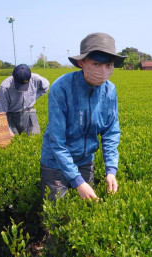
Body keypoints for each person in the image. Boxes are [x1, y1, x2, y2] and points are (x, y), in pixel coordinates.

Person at [40, 32, 126, 201]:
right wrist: (78, 181)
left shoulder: (110, 91)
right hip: (56, 164)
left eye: (108, 65)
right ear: (81, 63)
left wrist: (111, 170)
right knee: (57, 215)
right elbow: (57, 141)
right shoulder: (62, 88)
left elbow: (110, 132)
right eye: (96, 64)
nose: (103, 71)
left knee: (85, 212)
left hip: (85, 161)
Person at [0, 64, 50, 136]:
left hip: (30, 114)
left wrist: (34, 96)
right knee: (11, 140)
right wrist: (7, 130)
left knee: (34, 138)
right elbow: (1, 111)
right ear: (13, 77)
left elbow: (46, 86)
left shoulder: (36, 78)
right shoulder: (5, 87)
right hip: (12, 116)